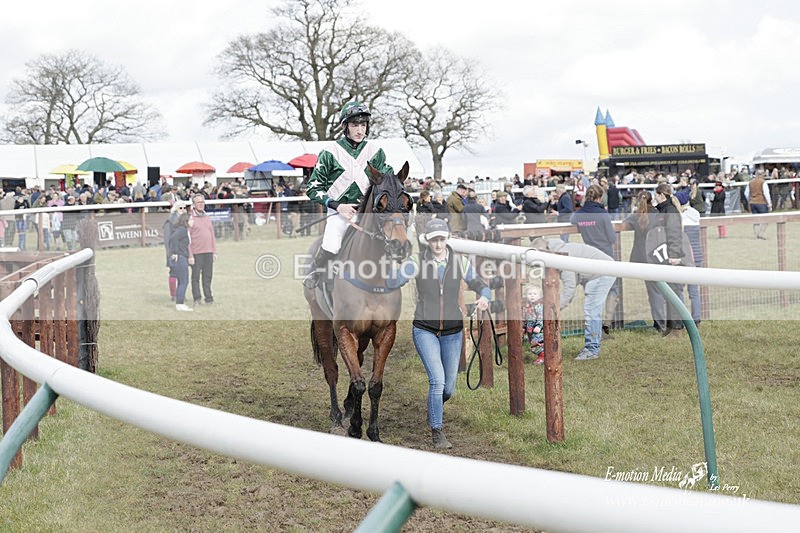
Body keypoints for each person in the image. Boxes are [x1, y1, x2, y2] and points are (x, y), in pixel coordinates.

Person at [387, 219, 490, 449]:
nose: (438, 244)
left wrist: (485, 296)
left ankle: (435, 408)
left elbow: (481, 284)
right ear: (427, 241)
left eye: (441, 239)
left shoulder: (460, 262)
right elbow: (394, 281)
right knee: (437, 381)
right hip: (425, 329)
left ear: (447, 239)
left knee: (449, 388)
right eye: (434, 240)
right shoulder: (417, 260)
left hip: (453, 332)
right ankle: (437, 431)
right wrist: (392, 267)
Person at [303, 101, 393, 288]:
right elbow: (313, 188)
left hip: (368, 214)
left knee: (391, 241)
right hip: (340, 213)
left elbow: (386, 182)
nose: (360, 130)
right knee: (331, 245)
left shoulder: (376, 152)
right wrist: (338, 206)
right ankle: (316, 273)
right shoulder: (329, 153)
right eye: (354, 125)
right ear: (345, 127)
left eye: (363, 125)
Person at [530, 237, 615, 361]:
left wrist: (552, 309)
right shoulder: (556, 251)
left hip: (603, 272)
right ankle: (592, 346)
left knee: (591, 310)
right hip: (597, 272)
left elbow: (569, 289)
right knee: (591, 309)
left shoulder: (562, 258)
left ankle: (592, 349)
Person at [570, 184, 618, 336]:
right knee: (612, 289)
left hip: (590, 256)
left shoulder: (579, 214)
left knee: (592, 291)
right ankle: (606, 324)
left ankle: (593, 327)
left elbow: (572, 219)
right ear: (600, 197)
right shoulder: (602, 214)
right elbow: (612, 237)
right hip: (606, 255)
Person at [623, 191, 666, 333]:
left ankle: (660, 322)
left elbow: (624, 223)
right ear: (651, 200)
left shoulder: (636, 216)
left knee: (654, 292)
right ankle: (663, 322)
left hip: (641, 256)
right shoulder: (657, 213)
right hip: (656, 256)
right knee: (659, 290)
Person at [652, 182, 686, 338]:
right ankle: (671, 326)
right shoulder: (663, 210)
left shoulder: (669, 211)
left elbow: (674, 234)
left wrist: (673, 255)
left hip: (671, 257)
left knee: (673, 293)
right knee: (669, 292)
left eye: (655, 194)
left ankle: (677, 327)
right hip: (663, 256)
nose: (654, 197)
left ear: (661, 195)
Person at [189, 194, 217, 305]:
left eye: (202, 202)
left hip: (208, 252)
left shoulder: (207, 217)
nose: (201, 205)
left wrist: (214, 251)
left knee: (208, 277)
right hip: (196, 253)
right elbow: (187, 238)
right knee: (195, 277)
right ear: (193, 205)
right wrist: (190, 255)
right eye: (198, 203)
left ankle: (209, 298)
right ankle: (197, 299)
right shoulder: (190, 218)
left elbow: (212, 235)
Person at [169, 211, 194, 312]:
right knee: (183, 281)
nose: (193, 221)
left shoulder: (184, 230)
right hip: (180, 257)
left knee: (182, 281)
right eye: (191, 220)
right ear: (186, 221)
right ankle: (180, 303)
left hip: (182, 256)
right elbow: (173, 238)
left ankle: (180, 303)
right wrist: (175, 252)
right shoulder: (182, 230)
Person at [163, 201, 185, 302]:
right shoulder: (170, 221)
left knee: (182, 273)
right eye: (181, 208)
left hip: (182, 250)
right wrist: (170, 253)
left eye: (184, 208)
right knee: (173, 272)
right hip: (173, 250)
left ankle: (180, 293)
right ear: (175, 209)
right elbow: (167, 239)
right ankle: (173, 294)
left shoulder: (184, 220)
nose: (183, 210)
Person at [745, 169, 772, 239]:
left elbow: (746, 193)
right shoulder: (763, 182)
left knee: (755, 219)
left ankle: (756, 234)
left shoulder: (750, 182)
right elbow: (766, 193)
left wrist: (750, 200)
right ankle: (761, 232)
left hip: (752, 203)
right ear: (762, 175)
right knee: (766, 219)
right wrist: (769, 202)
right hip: (761, 202)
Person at [522, 284, 545, 365]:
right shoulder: (527, 307)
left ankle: (542, 357)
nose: (532, 296)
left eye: (534, 294)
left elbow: (541, 317)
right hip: (530, 330)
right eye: (530, 294)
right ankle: (542, 355)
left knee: (536, 344)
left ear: (539, 296)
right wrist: (523, 327)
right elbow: (525, 317)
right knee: (533, 343)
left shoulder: (539, 307)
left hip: (538, 330)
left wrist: (539, 326)